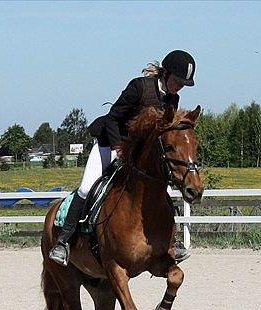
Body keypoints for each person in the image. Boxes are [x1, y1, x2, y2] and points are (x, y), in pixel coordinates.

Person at [48, 50, 196, 266]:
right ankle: (64, 241)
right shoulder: (139, 87)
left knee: (163, 189)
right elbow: (112, 119)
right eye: (177, 80)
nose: (179, 86)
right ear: (166, 73)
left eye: (183, 83)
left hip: (138, 155)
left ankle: (170, 241)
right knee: (87, 188)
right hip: (110, 143)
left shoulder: (173, 98)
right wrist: (119, 148)